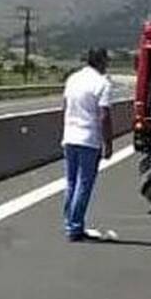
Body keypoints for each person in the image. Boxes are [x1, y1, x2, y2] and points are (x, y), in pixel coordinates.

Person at [61, 48, 114, 242]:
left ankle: (70, 223)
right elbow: (104, 115)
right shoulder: (102, 83)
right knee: (84, 184)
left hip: (70, 137)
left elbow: (65, 106)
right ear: (101, 62)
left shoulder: (73, 79)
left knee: (71, 183)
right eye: (106, 61)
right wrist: (108, 143)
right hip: (89, 140)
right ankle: (75, 227)